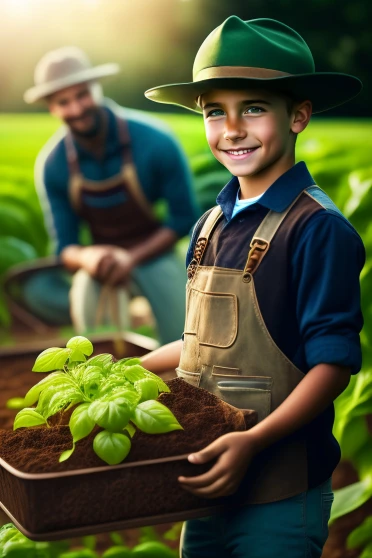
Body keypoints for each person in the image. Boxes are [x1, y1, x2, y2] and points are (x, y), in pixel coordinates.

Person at [140, 16, 365, 557]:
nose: (232, 128)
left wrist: (253, 441)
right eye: (215, 111)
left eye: (254, 108)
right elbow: (202, 342)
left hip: (281, 490)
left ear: (299, 116)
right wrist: (124, 371)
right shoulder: (210, 224)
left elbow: (331, 365)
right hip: (207, 476)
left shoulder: (317, 230)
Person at [20, 46, 199, 343]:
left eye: (82, 95)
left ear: (97, 88)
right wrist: (89, 256)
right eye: (63, 102)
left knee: (183, 335)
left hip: (155, 251)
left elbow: (182, 218)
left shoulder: (155, 140)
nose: (76, 109)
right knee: (93, 337)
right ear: (52, 107)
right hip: (100, 262)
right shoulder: (53, 164)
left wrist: (130, 257)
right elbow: (65, 245)